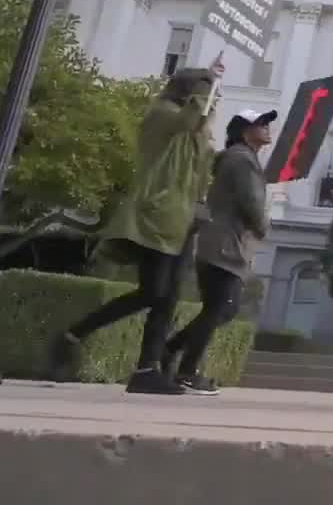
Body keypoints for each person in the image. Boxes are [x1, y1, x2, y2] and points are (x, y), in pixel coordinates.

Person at [48, 59, 223, 394]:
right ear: (189, 91)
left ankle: (146, 369)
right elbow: (188, 122)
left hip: (182, 217)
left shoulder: (194, 126)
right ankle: (78, 336)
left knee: (167, 297)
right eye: (205, 93)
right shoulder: (162, 113)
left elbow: (200, 151)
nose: (211, 101)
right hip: (156, 213)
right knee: (154, 292)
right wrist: (206, 88)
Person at [162, 109, 274, 394]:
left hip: (221, 242)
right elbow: (250, 201)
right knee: (220, 308)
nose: (267, 127)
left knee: (222, 308)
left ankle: (173, 349)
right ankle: (186, 369)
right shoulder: (242, 160)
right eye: (261, 123)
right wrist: (263, 226)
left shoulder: (240, 158)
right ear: (245, 130)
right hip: (225, 244)